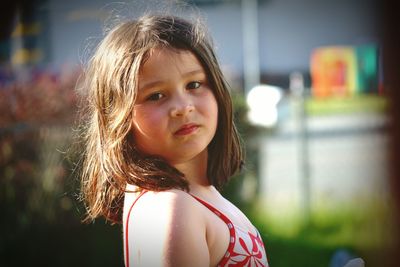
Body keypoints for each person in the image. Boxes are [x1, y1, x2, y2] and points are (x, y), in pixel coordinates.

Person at [79, 14, 269, 267]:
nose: (183, 107)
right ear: (118, 116)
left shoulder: (191, 196)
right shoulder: (172, 208)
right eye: (156, 95)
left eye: (194, 84)